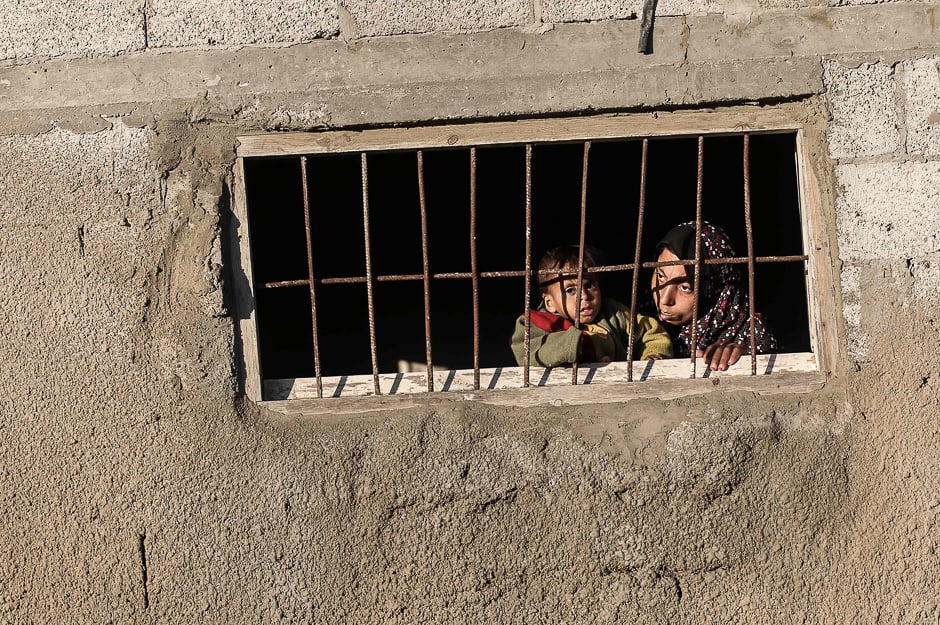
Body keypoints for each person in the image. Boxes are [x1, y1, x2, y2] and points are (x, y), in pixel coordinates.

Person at [511, 244, 673, 367]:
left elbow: (649, 332)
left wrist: (653, 355)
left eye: (589, 285)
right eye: (570, 290)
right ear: (549, 302)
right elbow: (526, 351)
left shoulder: (613, 312)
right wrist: (572, 343)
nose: (585, 296)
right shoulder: (537, 322)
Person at [649, 221, 778, 371]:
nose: (664, 299)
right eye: (660, 275)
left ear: (715, 289)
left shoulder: (750, 332)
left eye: (685, 287)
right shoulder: (638, 318)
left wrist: (743, 354)